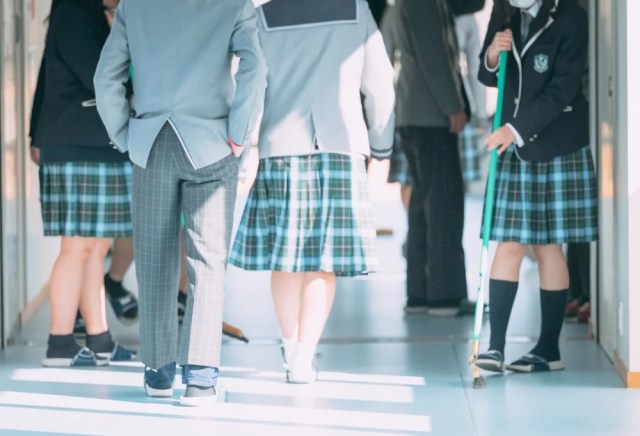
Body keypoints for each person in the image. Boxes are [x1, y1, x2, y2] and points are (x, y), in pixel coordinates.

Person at [94, 0, 266, 406]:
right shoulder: (234, 4)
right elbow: (255, 68)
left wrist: (124, 134)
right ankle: (201, 381)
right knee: (207, 262)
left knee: (154, 260)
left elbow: (106, 78)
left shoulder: (134, 6)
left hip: (150, 143)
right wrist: (240, 135)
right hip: (212, 145)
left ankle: (158, 373)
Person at [229, 0, 395, 383]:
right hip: (340, 146)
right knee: (324, 259)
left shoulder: (264, 15)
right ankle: (304, 358)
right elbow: (381, 83)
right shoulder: (356, 11)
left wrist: (241, 152)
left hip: (280, 146)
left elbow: (250, 86)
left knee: (285, 257)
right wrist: (381, 144)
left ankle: (289, 347)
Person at [475, 0, 597, 373]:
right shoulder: (504, 10)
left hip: (555, 142)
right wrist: (493, 56)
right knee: (508, 242)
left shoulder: (573, 17)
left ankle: (548, 351)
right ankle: (494, 348)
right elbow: (487, 74)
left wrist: (512, 130)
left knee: (547, 246)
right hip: (517, 146)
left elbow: (563, 88)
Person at [30, 0, 136, 368]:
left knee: (94, 245)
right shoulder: (75, 10)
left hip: (94, 143)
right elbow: (100, 73)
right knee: (77, 247)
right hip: (77, 142)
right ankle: (60, 341)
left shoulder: (88, 9)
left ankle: (100, 339)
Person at [393, 0, 470, 315]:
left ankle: (421, 294)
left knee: (424, 203)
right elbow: (433, 57)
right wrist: (453, 105)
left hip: (417, 112)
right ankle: (444, 295)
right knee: (443, 204)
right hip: (431, 115)